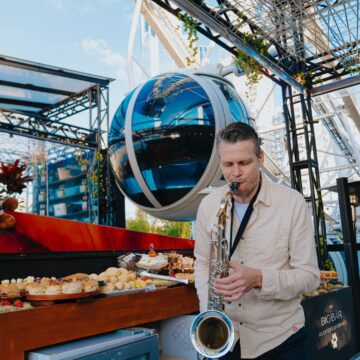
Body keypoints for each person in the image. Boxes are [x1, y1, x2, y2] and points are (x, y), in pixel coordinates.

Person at [194, 122, 320, 359]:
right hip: (225, 339)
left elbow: (310, 277)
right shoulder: (209, 205)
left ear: (260, 158)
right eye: (228, 164)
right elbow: (202, 262)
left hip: (280, 340)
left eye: (244, 163)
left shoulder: (292, 203)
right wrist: (209, 312)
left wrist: (260, 279)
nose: (235, 173)